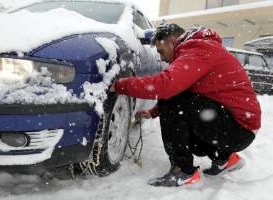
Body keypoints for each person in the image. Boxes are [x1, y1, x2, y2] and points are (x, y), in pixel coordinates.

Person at [109, 23, 261, 187]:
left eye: (161, 51)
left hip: (238, 128)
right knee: (177, 105)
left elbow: (166, 87)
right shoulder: (201, 48)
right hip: (237, 125)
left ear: (172, 42)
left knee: (170, 99)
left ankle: (183, 170)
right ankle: (224, 158)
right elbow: (183, 91)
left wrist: (119, 85)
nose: (161, 58)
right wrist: (153, 112)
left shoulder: (198, 49)